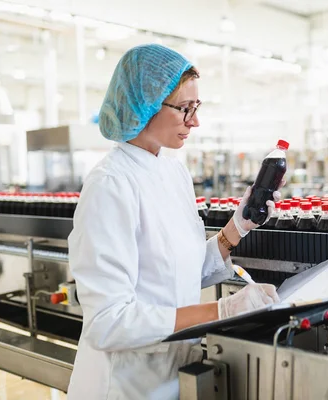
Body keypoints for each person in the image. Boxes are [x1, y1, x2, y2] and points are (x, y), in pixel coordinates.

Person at [67, 44, 282, 400]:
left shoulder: (173, 172)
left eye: (196, 108)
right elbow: (107, 322)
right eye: (184, 109)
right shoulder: (111, 184)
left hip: (174, 376)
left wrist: (237, 228)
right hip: (125, 385)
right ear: (144, 103)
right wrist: (221, 310)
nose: (194, 121)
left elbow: (181, 273)